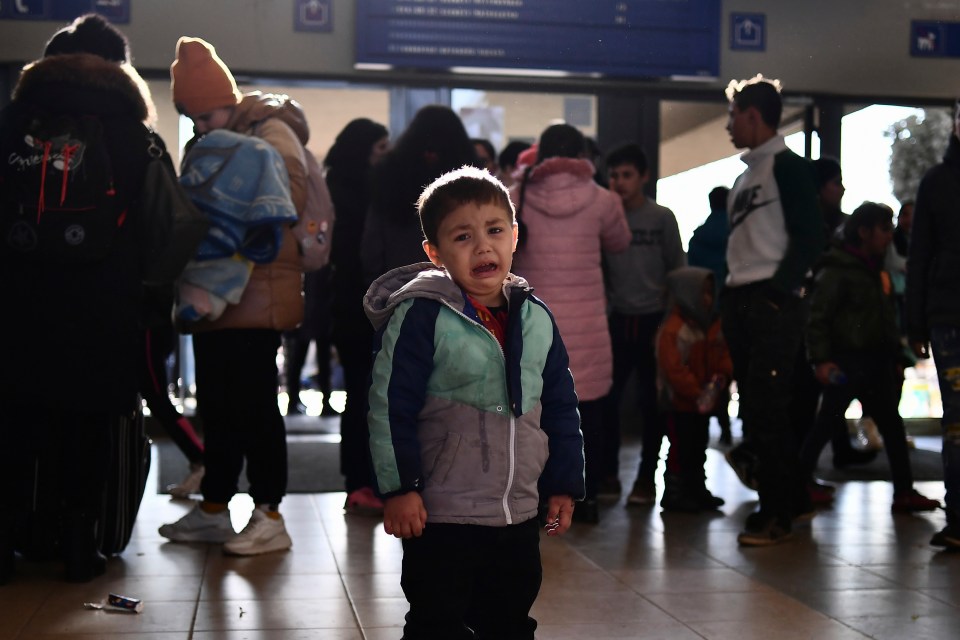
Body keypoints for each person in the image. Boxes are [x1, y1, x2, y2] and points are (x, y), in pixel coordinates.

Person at [364, 166, 584, 638]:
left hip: (517, 512)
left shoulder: (536, 316)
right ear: (435, 253)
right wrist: (400, 488)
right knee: (436, 621)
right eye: (463, 236)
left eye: (495, 230)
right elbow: (389, 406)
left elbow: (562, 405)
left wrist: (563, 483)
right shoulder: (421, 315)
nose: (483, 246)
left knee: (509, 621)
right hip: (442, 512)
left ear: (514, 236)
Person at [0, 14, 172, 583]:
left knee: (14, 421)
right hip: (103, 308)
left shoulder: (8, 122)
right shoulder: (136, 136)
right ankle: (79, 544)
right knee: (89, 425)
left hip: (15, 308)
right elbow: (164, 229)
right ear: (116, 68)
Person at [157, 37, 308, 556]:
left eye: (207, 112)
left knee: (254, 406)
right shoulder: (217, 139)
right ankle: (216, 507)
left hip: (257, 291)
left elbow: (288, 201)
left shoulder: (270, 132)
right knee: (218, 406)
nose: (201, 125)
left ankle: (269, 512)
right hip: (217, 293)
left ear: (230, 98)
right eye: (192, 118)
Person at [510, 123, 630, 523]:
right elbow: (620, 243)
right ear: (582, 154)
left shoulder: (517, 196)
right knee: (588, 415)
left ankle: (540, 499)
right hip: (589, 326)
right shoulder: (603, 200)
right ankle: (586, 497)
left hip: (533, 326)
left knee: (537, 415)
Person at [721, 75, 823, 546]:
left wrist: (779, 294)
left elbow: (810, 238)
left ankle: (776, 513)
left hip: (770, 302)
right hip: (745, 299)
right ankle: (794, 501)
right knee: (760, 408)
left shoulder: (787, 168)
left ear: (753, 116)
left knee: (765, 410)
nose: (728, 125)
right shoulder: (746, 175)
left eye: (733, 115)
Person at [801, 202, 940, 513]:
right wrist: (821, 360)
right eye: (884, 229)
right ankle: (798, 484)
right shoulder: (841, 269)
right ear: (863, 232)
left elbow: (882, 317)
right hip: (849, 360)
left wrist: (894, 352)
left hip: (872, 360)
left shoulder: (869, 268)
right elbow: (818, 317)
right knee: (832, 423)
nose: (890, 236)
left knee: (887, 425)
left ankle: (903, 491)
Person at [602, 142, 686, 505]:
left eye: (627, 175)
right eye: (614, 175)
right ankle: (607, 475)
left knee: (652, 404)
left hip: (655, 319)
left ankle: (646, 480)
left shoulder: (661, 217)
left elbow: (677, 269)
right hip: (618, 318)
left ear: (644, 177)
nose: (620, 182)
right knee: (608, 399)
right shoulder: (607, 219)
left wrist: (672, 320)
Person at [325, 117, 390, 514]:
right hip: (364, 305)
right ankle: (368, 479)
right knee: (370, 394)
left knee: (358, 394)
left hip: (344, 304)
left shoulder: (333, 186)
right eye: (381, 149)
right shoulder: (368, 193)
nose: (386, 157)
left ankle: (356, 481)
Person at [906, 100, 960, 550]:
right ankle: (959, 514)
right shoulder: (937, 182)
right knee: (957, 421)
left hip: (945, 311)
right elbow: (919, 254)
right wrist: (916, 322)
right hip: (949, 314)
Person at [362, 105, 479, 285]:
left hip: (400, 285)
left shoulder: (389, 178)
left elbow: (372, 246)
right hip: (458, 286)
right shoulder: (472, 182)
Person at [656, 267, 733, 512]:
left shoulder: (711, 324)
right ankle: (675, 493)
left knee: (699, 446)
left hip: (703, 400)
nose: (708, 299)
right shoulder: (675, 329)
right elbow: (674, 370)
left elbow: (722, 354)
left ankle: (697, 489)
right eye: (703, 294)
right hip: (679, 403)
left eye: (711, 293)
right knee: (680, 449)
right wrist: (696, 391)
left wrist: (721, 376)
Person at [687, 186, 733, 445]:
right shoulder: (736, 236)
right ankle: (728, 427)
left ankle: (704, 419)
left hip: (703, 312)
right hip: (728, 309)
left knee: (704, 366)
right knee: (725, 368)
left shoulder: (698, 238)